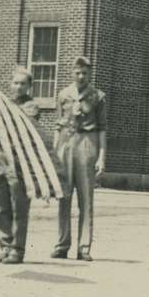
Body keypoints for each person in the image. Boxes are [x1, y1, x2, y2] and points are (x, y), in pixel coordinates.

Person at [53, 56, 107, 262]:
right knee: (64, 195)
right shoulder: (64, 95)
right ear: (72, 72)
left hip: (87, 143)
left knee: (86, 199)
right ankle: (61, 244)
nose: (81, 76)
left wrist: (102, 156)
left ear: (90, 73)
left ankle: (84, 247)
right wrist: (55, 152)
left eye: (85, 72)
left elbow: (102, 128)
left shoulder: (98, 97)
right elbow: (59, 125)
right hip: (67, 143)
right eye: (78, 72)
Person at [0, 67, 41, 265]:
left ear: (29, 86)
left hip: (20, 163)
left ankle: (17, 250)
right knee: (0, 207)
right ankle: (4, 246)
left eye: (23, 84)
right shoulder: (5, 104)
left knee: (19, 207)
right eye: (15, 83)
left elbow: (20, 128)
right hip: (1, 160)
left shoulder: (31, 107)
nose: (18, 87)